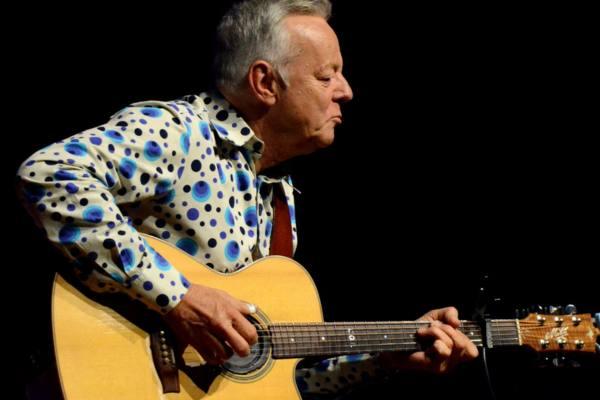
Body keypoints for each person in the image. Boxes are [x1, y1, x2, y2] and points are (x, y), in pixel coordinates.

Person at [17, 0, 478, 397]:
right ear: (265, 82)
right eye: (326, 76)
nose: (346, 91)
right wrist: (178, 297)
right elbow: (49, 174)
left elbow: (264, 379)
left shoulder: (275, 196)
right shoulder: (181, 132)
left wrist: (386, 359)